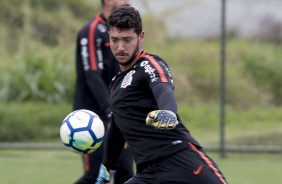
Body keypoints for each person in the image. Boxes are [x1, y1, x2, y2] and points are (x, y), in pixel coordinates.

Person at [96, 6, 228, 184]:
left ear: (140, 37)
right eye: (115, 40)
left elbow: (163, 88)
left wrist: (168, 113)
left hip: (181, 162)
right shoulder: (116, 84)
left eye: (127, 40)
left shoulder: (150, 65)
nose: (120, 47)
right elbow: (117, 127)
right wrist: (107, 167)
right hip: (148, 173)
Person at [73, 1, 134, 184]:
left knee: (125, 173)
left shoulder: (124, 33)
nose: (128, 1)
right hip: (93, 117)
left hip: (118, 115)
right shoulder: (92, 31)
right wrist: (111, 114)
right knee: (96, 176)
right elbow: (92, 76)